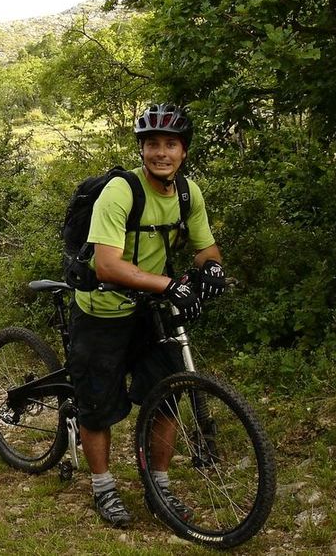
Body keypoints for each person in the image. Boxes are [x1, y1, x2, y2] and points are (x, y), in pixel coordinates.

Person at [69, 103, 226, 529]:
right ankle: (103, 488)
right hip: (103, 308)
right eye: (152, 143)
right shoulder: (120, 192)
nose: (161, 152)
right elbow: (107, 265)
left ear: (183, 152)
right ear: (141, 149)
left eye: (170, 144)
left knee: (167, 395)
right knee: (97, 405)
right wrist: (171, 284)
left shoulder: (189, 193)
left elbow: (206, 247)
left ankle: (159, 486)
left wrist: (210, 266)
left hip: (150, 308)